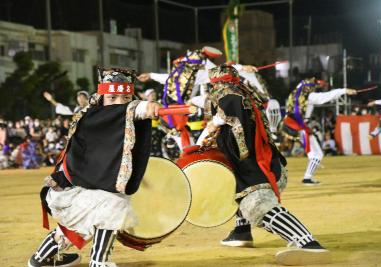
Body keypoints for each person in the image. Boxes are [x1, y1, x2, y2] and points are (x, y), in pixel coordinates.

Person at [192, 65, 330, 265]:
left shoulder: (229, 98)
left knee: (257, 206)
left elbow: (218, 120)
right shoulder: (246, 95)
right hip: (263, 164)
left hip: (258, 170)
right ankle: (241, 231)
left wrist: (200, 142)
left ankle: (308, 243)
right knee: (234, 188)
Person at [28, 67, 160, 267]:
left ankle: (41, 258)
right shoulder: (91, 117)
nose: (119, 103)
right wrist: (142, 108)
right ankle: (99, 262)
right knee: (111, 206)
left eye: (125, 98)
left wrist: (143, 108)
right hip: (75, 187)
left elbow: (124, 120)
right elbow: (118, 116)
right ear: (101, 96)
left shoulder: (111, 117)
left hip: (90, 185)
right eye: (112, 97)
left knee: (90, 220)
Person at [283, 78, 356, 185]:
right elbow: (326, 96)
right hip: (300, 127)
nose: (314, 89)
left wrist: (318, 83)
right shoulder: (310, 97)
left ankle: (307, 177)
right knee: (317, 155)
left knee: (315, 154)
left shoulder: (292, 95)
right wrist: (344, 91)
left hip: (291, 126)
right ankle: (307, 179)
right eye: (312, 88)